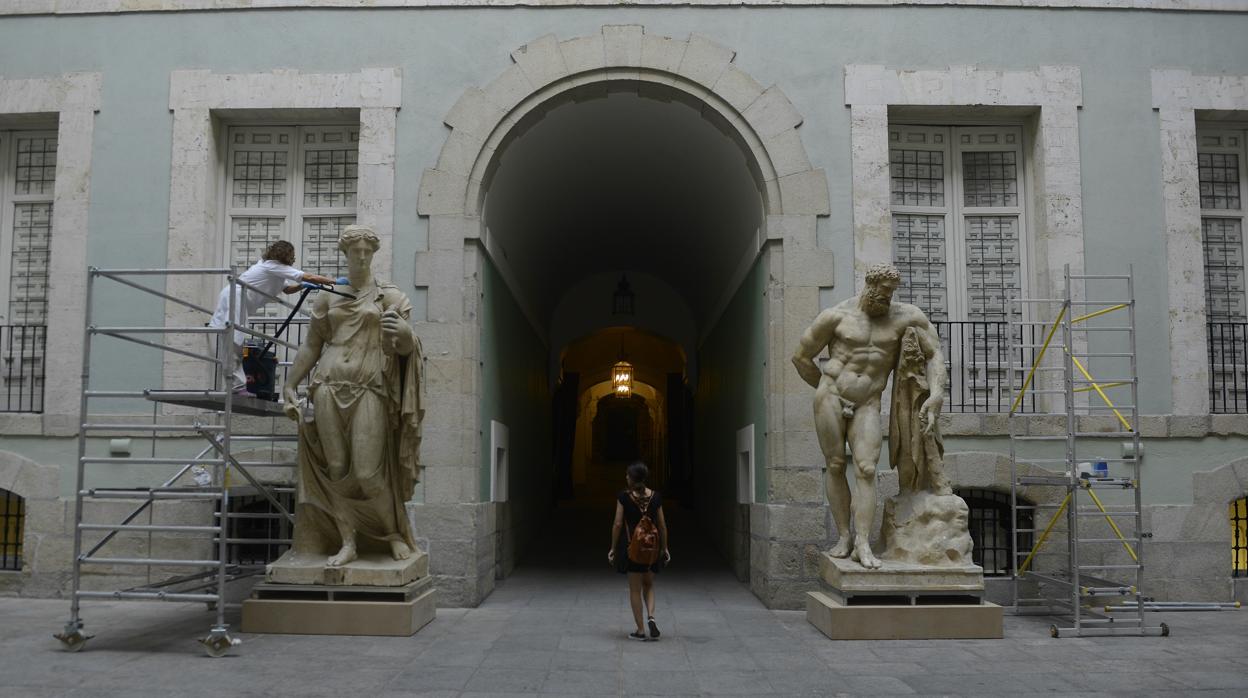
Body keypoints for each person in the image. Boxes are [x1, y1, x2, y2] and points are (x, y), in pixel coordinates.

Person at [280, 225, 424, 567]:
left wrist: (404, 335)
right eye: (355, 250)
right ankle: (348, 542)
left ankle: (392, 535)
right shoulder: (327, 295)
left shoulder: (389, 296)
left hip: (370, 385)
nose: (361, 256)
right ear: (344, 253)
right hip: (328, 383)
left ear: (373, 254)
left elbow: (407, 349)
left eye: (367, 251)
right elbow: (312, 346)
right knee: (337, 467)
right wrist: (290, 384)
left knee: (367, 472)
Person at [790, 262, 945, 569]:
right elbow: (801, 357)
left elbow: (934, 353)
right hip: (832, 396)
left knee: (866, 468)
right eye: (883, 292)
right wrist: (825, 385)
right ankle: (844, 536)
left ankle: (863, 542)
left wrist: (937, 394)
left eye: (891, 293)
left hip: (869, 403)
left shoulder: (906, 317)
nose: (888, 298)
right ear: (870, 287)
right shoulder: (836, 316)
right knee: (835, 465)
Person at [209, 240, 336, 391]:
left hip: (237, 299)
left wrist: (302, 286)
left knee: (235, 340)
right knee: (234, 341)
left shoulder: (275, 270)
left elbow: (287, 289)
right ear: (287, 255)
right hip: (234, 297)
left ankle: (236, 385)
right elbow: (307, 276)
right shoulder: (272, 266)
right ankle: (236, 387)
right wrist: (334, 281)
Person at [608, 461, 671, 641]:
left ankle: (641, 630)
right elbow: (662, 525)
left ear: (632, 478)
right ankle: (651, 617)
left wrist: (613, 548)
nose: (626, 477)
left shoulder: (624, 497)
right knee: (649, 585)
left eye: (627, 475)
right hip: (651, 549)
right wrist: (664, 548)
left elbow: (618, 524)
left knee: (635, 589)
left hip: (633, 549)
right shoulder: (656, 496)